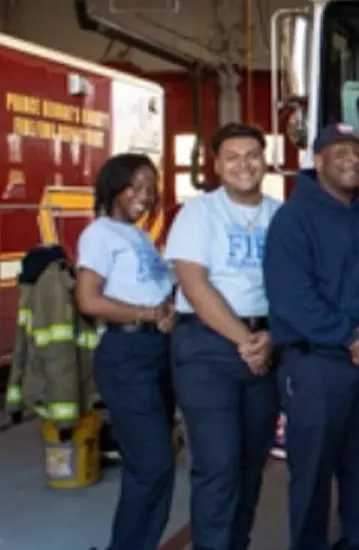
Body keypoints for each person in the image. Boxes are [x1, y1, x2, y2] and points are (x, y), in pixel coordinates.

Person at [263, 122, 359, 550]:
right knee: (312, 478)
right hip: (315, 367)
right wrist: (352, 335)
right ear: (318, 161)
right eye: (341, 152)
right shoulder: (293, 219)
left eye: (358, 152)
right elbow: (291, 298)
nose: (353, 159)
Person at [164, 123, 281, 550]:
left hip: (266, 344)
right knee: (218, 465)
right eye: (232, 157)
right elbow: (193, 284)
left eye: (252, 155)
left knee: (251, 466)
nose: (243, 165)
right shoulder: (199, 213)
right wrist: (245, 340)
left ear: (264, 161)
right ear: (216, 165)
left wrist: (268, 337)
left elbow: (292, 284)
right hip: (208, 347)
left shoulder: (279, 213)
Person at [74, 153, 176, 550]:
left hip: (155, 349)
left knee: (152, 464)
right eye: (135, 186)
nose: (145, 195)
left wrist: (166, 311)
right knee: (153, 464)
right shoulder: (100, 234)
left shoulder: (138, 235)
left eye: (151, 187)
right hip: (126, 353)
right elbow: (88, 300)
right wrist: (148, 313)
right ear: (113, 187)